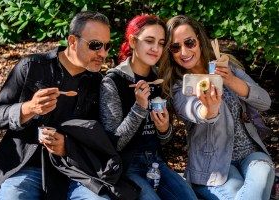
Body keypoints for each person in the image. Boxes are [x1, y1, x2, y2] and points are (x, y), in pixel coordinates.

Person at [0, 11, 123, 200]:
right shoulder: (32, 66)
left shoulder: (99, 83)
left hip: (76, 171)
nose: (103, 53)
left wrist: (67, 147)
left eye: (107, 46)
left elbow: (102, 139)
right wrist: (29, 108)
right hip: (26, 167)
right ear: (72, 41)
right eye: (95, 45)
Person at [158, 14, 275, 200]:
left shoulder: (225, 66)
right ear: (169, 52)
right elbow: (195, 111)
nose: (184, 52)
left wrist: (231, 80)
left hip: (250, 154)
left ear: (199, 39)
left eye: (189, 42)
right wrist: (209, 108)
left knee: (262, 172)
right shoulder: (179, 85)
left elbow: (265, 102)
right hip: (211, 167)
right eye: (175, 47)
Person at [99, 15, 198, 200]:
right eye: (149, 41)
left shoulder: (159, 80)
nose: (156, 49)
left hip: (156, 161)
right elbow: (114, 143)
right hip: (126, 166)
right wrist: (139, 108)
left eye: (161, 43)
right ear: (133, 41)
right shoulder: (113, 82)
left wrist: (164, 129)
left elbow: (165, 139)